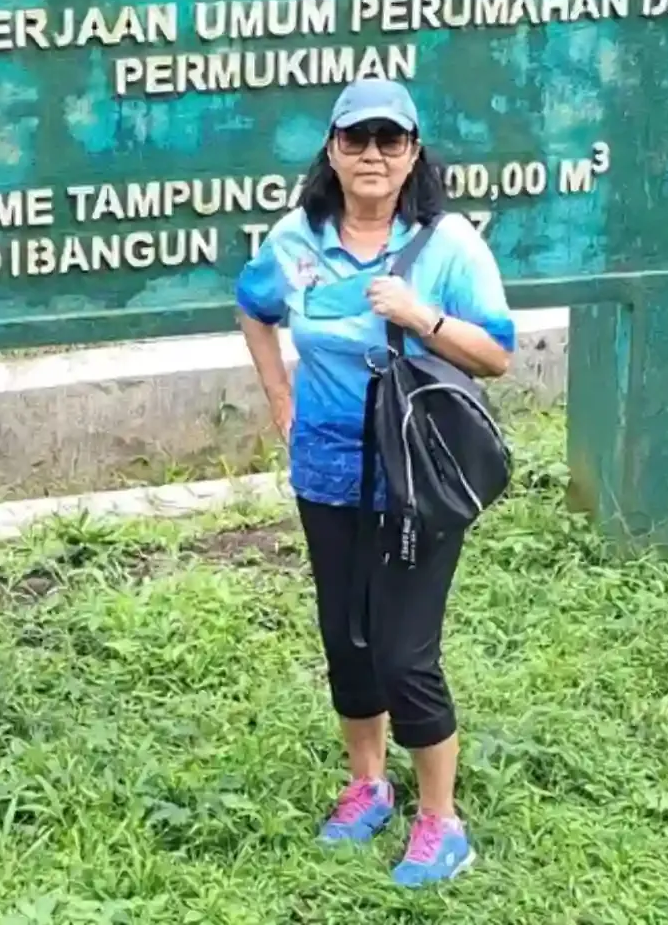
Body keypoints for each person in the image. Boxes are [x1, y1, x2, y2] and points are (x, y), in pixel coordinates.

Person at [234, 78, 515, 888]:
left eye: (389, 141)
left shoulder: (447, 243)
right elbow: (253, 305)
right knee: (346, 641)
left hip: (418, 475)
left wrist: (419, 315)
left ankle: (441, 820)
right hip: (326, 471)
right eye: (356, 140)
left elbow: (495, 352)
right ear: (331, 150)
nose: (372, 155)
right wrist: (279, 395)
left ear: (413, 153)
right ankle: (367, 784)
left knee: (403, 652)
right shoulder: (297, 238)